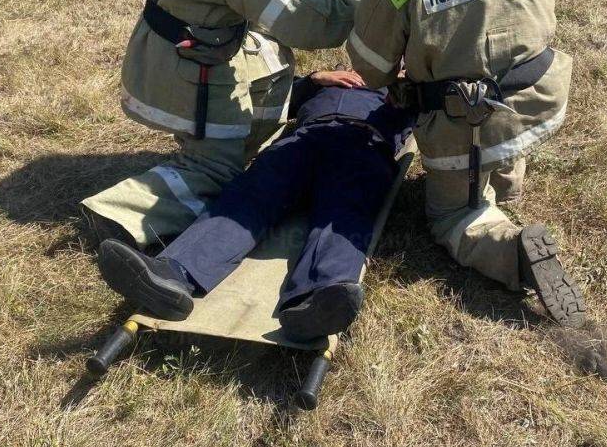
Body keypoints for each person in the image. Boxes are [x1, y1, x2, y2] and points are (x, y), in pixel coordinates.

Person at [346, 0, 584, 327]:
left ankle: (513, 251)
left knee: (454, 215)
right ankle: (506, 178)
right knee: (498, 98)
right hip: (540, 95)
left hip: (470, 117)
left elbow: (370, 64)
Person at [81, 0, 359, 251]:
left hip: (164, 57)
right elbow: (307, 21)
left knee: (272, 52)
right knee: (217, 174)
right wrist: (373, 9)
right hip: (188, 69)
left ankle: (238, 141)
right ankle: (118, 212)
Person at [96, 69, 416, 342]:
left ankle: (318, 299)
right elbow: (273, 102)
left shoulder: (405, 87)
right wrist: (314, 79)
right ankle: (173, 274)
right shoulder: (325, 79)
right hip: (302, 140)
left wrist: (406, 88)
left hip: (365, 144)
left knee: (343, 214)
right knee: (247, 197)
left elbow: (430, 120)